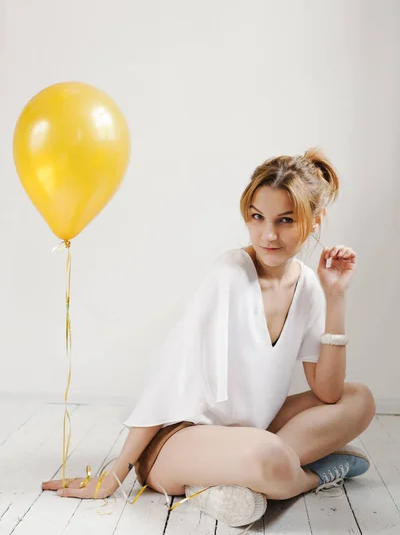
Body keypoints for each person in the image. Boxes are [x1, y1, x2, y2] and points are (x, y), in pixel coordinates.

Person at [42, 148, 375, 528]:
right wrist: (114, 476)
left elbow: (328, 393)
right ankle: (304, 476)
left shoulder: (309, 286)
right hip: (176, 443)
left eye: (285, 220)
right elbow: (169, 378)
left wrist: (336, 296)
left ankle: (237, 482)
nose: (268, 234)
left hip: (250, 433)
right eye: (257, 217)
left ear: (316, 220)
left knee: (359, 399)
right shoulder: (229, 274)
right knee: (268, 453)